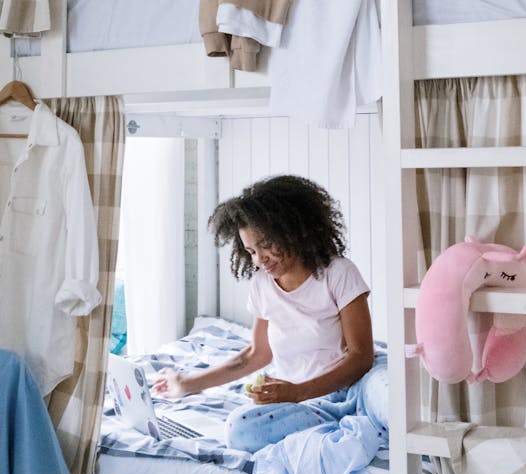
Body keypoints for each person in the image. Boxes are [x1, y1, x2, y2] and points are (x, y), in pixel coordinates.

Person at [152, 174, 386, 453]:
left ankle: (354, 417)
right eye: (250, 251)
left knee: (388, 393)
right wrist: (186, 384)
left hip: (354, 386)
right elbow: (255, 355)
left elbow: (362, 356)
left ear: (293, 231)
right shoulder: (262, 285)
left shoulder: (338, 273)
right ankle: (336, 421)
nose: (259, 259)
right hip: (308, 403)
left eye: (265, 245)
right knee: (240, 430)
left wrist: (297, 392)